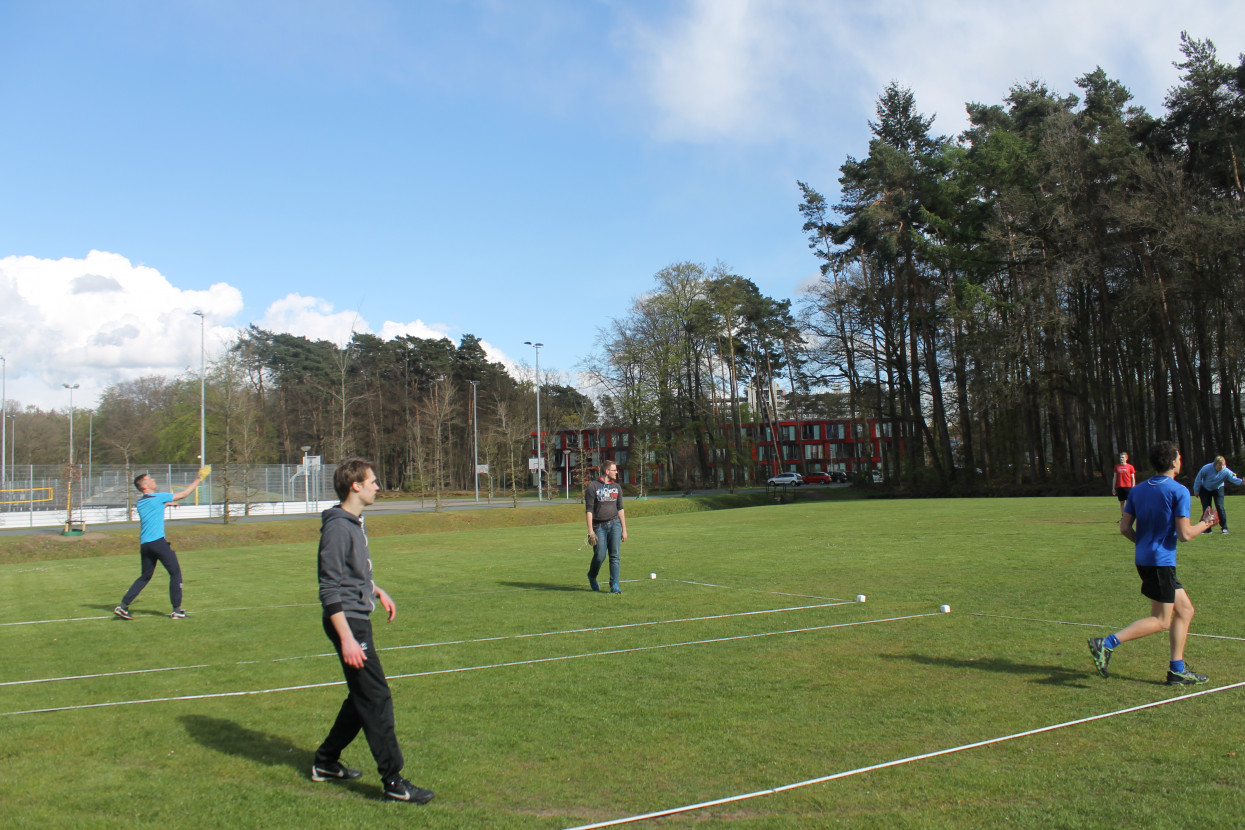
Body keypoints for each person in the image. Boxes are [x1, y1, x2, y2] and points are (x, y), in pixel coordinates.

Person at [312, 457, 433, 805]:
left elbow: (354, 572)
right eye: (373, 481)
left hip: (357, 617)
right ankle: (394, 780)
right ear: (356, 486)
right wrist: (347, 638)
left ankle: (325, 762)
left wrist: (375, 590)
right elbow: (329, 588)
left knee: (361, 697)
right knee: (376, 697)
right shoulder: (337, 527)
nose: (377, 487)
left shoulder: (353, 522)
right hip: (347, 623)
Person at [1088, 441, 1218, 685]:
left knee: (1186, 610)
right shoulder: (1179, 491)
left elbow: (1125, 528)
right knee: (1160, 620)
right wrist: (1207, 523)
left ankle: (1177, 670)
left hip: (1145, 559)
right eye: (1178, 457)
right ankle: (1106, 643)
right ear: (1172, 462)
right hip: (1161, 563)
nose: (1180, 460)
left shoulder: (1137, 490)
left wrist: (1144, 544)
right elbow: (1185, 534)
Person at [113, 469, 206, 620]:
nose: (153, 479)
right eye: (150, 479)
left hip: (146, 545)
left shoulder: (141, 502)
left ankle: (123, 606)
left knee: (145, 576)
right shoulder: (158, 497)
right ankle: (177, 610)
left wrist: (167, 504)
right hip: (158, 543)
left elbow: (154, 508)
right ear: (144, 486)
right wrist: (198, 479)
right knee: (175, 573)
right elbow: (183, 494)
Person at [585, 460, 627, 593]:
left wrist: (624, 529)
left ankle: (614, 585)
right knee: (600, 556)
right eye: (614, 470)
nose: (616, 472)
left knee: (615, 556)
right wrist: (591, 531)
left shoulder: (617, 487)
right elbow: (589, 511)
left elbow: (620, 509)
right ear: (607, 471)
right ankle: (592, 576)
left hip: (614, 524)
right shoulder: (593, 487)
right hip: (599, 526)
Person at [1192, 455, 1241, 535]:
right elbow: (1198, 479)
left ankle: (1224, 528)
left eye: (1223, 466)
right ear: (1215, 464)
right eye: (1219, 466)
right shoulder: (1206, 468)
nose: (1221, 468)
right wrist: (1196, 490)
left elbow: (1233, 478)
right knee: (1206, 508)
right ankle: (1207, 529)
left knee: (1220, 507)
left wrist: (1241, 482)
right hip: (1205, 489)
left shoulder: (1226, 470)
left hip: (1218, 488)